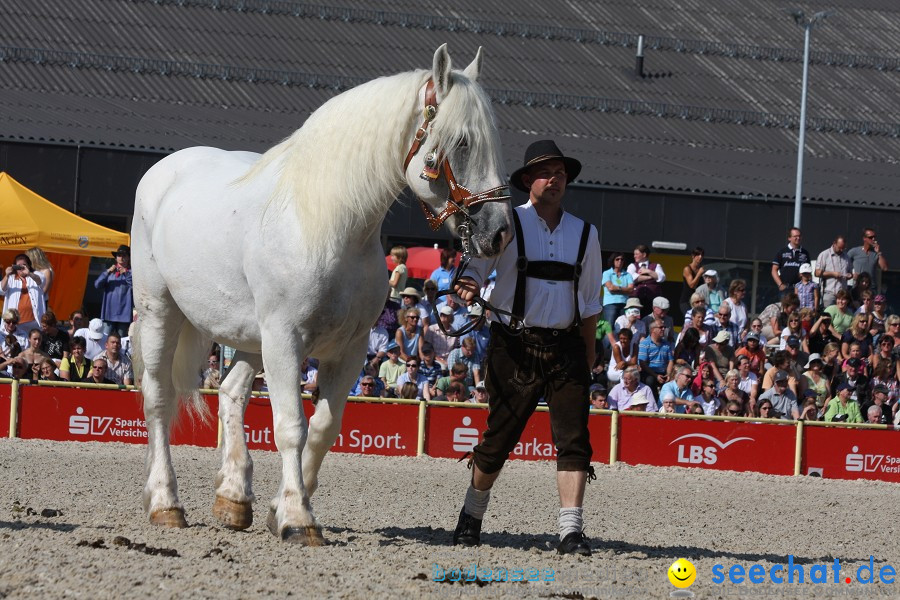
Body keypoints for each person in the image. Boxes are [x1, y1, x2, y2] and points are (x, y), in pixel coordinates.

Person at [450, 140, 602, 556]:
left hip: (567, 348)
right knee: (498, 439)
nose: (555, 180)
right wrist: (469, 286)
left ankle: (571, 531)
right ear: (526, 181)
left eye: (561, 173)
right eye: (546, 172)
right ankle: (472, 515)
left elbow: (590, 303)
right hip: (513, 346)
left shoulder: (586, 233)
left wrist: (587, 355)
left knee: (575, 441)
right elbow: (475, 271)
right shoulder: (504, 222)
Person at [94, 244, 133, 337]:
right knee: (105, 340)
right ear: (116, 258)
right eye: (119, 255)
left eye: (124, 255)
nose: (121, 258)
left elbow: (134, 287)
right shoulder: (110, 273)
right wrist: (107, 272)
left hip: (124, 316)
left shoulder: (132, 273)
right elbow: (97, 285)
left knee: (121, 343)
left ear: (128, 258)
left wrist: (126, 273)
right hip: (108, 315)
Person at [1, 253, 47, 333]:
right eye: (19, 266)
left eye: (24, 265)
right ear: (14, 267)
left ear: (29, 266)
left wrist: (28, 273)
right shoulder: (11, 278)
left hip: (34, 321)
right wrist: (7, 275)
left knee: (34, 343)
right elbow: (1, 290)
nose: (21, 268)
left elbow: (41, 281)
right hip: (14, 323)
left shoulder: (36, 275)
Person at [627, 244, 665, 315]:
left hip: (652, 300)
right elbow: (631, 278)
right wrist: (651, 277)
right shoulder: (632, 266)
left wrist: (648, 271)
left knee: (651, 319)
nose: (634, 256)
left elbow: (661, 277)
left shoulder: (656, 265)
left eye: (636, 254)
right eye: (634, 254)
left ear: (644, 254)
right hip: (636, 299)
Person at [771, 227, 811, 292]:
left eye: (799, 236)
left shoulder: (805, 253)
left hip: (801, 289)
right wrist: (780, 284)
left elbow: (809, 271)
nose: (798, 238)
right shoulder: (782, 252)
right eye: (795, 236)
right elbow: (774, 270)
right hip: (786, 288)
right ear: (789, 238)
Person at [638, 321, 674, 393]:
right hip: (649, 373)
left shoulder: (666, 344)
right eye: (661, 327)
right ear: (652, 330)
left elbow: (670, 360)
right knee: (650, 381)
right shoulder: (644, 344)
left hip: (663, 372)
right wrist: (655, 375)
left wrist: (669, 374)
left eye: (664, 327)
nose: (663, 329)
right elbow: (643, 364)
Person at [815, 236, 851, 307]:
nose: (841, 250)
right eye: (839, 247)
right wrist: (832, 274)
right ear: (834, 243)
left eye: (843, 248)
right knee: (828, 315)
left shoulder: (846, 257)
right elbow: (817, 273)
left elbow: (850, 272)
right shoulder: (824, 255)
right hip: (829, 292)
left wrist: (850, 275)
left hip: (842, 294)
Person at [601, 252, 633, 325]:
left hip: (625, 304)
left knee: (623, 327)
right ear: (613, 261)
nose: (620, 261)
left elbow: (631, 289)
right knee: (609, 327)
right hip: (610, 304)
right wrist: (625, 290)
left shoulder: (628, 275)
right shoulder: (606, 273)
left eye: (622, 259)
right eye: (617, 259)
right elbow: (611, 288)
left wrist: (617, 288)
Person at [679, 247, 705, 314]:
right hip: (686, 301)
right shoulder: (687, 269)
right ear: (693, 256)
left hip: (698, 301)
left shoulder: (701, 269)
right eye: (698, 255)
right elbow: (692, 285)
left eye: (702, 255)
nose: (700, 257)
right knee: (690, 319)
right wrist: (699, 274)